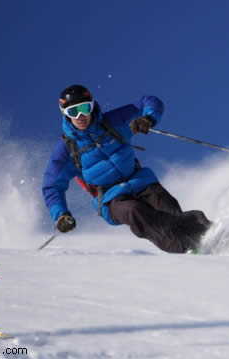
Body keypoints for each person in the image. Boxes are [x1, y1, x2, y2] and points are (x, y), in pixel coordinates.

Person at [42, 84, 210, 253]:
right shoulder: (67, 149)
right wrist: (61, 214)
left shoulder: (113, 122)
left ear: (92, 106)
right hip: (110, 198)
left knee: (168, 209)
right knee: (135, 212)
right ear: (65, 114)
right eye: (73, 112)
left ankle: (208, 235)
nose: (80, 116)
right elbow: (52, 186)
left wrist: (148, 119)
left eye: (85, 108)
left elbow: (149, 101)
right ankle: (185, 249)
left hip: (140, 181)